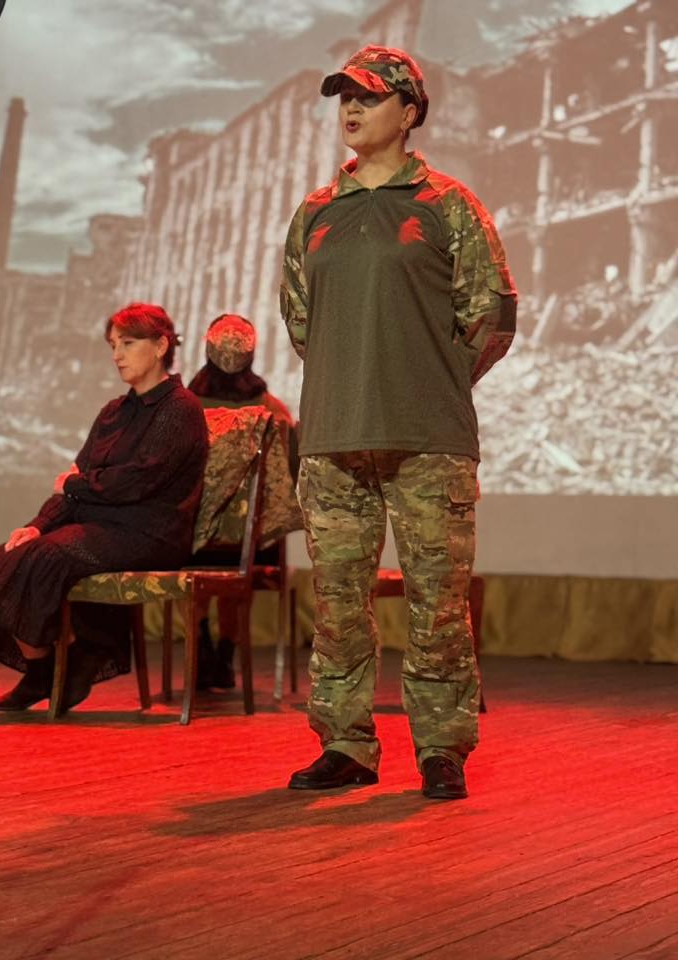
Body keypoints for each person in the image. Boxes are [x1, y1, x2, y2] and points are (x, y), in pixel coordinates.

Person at [280, 45, 517, 799]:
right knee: (337, 607)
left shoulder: (448, 205)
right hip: (332, 437)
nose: (351, 109)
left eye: (369, 97)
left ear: (409, 111)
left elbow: (491, 314)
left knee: (437, 606)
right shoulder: (316, 212)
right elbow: (301, 319)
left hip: (427, 439)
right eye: (343, 97)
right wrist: (352, 376)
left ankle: (441, 748)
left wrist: (427, 378)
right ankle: (345, 743)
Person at [0, 302, 208, 713]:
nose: (117, 355)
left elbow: (137, 480)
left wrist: (75, 483)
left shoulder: (180, 408)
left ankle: (86, 650)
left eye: (128, 344)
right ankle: (41, 669)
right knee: (11, 553)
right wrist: (37, 525)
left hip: (151, 532)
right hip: (103, 526)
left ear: (161, 346)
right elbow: (77, 486)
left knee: (48, 556)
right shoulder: (113, 412)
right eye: (113, 345)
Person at [187, 313, 295, 688]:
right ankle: (226, 652)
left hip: (193, 539)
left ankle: (200, 643)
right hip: (253, 544)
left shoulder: (185, 407)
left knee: (190, 547)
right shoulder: (273, 411)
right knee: (245, 548)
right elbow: (287, 479)